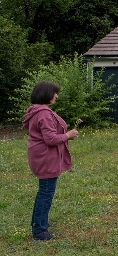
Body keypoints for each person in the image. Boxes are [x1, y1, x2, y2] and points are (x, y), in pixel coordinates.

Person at [22, 81, 79, 241]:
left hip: (41, 156)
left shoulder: (36, 111)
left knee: (44, 192)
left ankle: (39, 223)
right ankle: (39, 231)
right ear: (46, 94)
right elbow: (51, 139)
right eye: (54, 92)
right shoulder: (44, 113)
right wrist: (68, 135)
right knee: (46, 193)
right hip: (46, 158)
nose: (57, 95)